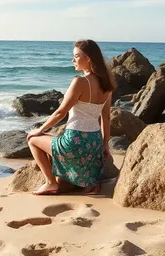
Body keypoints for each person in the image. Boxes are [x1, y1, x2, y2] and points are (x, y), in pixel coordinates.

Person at [26, 39, 116, 195]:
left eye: (76, 56)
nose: (73, 60)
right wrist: (105, 144)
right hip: (94, 143)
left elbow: (61, 112)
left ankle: (50, 183)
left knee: (32, 140)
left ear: (88, 58)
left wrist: (39, 130)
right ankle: (89, 184)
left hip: (75, 141)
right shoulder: (107, 85)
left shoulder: (80, 82)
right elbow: (106, 117)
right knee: (52, 140)